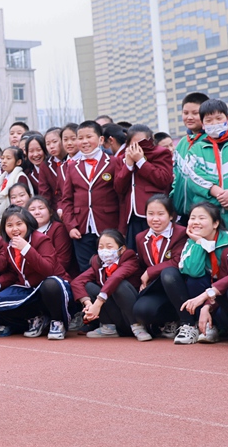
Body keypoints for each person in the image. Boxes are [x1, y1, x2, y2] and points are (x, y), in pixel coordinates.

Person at [0, 206, 72, 340]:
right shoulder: (9, 245)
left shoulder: (40, 239)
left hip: (54, 287)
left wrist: (26, 249)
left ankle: (57, 321)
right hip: (29, 288)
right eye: (9, 225)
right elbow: (12, 273)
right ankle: (37, 318)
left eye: (19, 224)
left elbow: (48, 270)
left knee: (50, 284)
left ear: (28, 223)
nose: (15, 229)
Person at [161, 202, 228, 344]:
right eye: (192, 218)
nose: (196, 222)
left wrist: (208, 305)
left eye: (201, 218)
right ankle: (193, 326)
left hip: (223, 293)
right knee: (190, 278)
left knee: (223, 311)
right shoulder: (191, 242)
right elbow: (193, 271)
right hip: (203, 293)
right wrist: (199, 242)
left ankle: (216, 326)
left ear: (215, 223)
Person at [61, 120, 120, 272]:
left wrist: (120, 228)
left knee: (111, 267)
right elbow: (67, 199)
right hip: (81, 227)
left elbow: (121, 196)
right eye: (80, 138)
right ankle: (90, 296)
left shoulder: (113, 163)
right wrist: (71, 225)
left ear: (101, 139)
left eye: (89, 137)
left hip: (108, 224)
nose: (84, 141)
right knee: (86, 269)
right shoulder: (72, 165)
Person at [131, 194, 187, 341]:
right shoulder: (141, 237)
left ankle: (186, 322)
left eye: (161, 214)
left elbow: (177, 261)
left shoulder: (181, 233)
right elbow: (141, 265)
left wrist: (150, 272)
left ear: (171, 216)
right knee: (141, 310)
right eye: (150, 214)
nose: (155, 219)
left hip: (177, 285)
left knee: (169, 273)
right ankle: (168, 321)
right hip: (156, 287)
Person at [71, 229, 143, 338]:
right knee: (89, 286)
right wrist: (89, 304)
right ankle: (109, 327)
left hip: (130, 311)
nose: (104, 251)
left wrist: (98, 303)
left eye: (109, 247)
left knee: (120, 285)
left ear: (122, 249)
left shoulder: (129, 258)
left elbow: (116, 277)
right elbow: (77, 282)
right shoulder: (98, 262)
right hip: (116, 314)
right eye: (101, 247)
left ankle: (138, 327)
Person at [184, 99, 228, 226]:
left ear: (227, 119)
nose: (214, 123)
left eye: (218, 118)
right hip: (209, 216)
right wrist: (220, 194)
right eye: (209, 121)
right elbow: (193, 176)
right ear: (203, 124)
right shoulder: (196, 149)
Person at [115, 124, 173, 250]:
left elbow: (163, 180)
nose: (137, 148)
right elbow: (119, 188)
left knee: (156, 250)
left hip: (154, 213)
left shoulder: (161, 153)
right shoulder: (122, 159)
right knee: (135, 252)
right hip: (132, 215)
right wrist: (128, 166)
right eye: (134, 144)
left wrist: (141, 161)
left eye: (142, 143)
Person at [171, 92, 209, 223]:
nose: (189, 117)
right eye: (185, 113)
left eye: (195, 113)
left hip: (206, 212)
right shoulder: (182, 142)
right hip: (182, 213)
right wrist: (173, 196)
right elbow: (176, 174)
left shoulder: (210, 141)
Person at [0, 146, 31, 231]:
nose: (4, 161)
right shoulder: (4, 176)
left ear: (18, 162)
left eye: (8, 158)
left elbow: (22, 204)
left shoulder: (20, 177)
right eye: (2, 158)